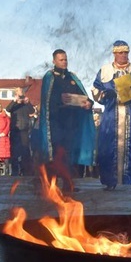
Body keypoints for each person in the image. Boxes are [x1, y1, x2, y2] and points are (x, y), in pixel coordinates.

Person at [92, 40, 131, 192]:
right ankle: (109, 181)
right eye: (120, 52)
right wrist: (106, 93)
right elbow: (95, 90)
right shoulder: (104, 71)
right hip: (112, 114)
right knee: (108, 148)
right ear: (114, 53)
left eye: (125, 52)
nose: (123, 55)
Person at [37, 49, 96, 191]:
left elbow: (83, 95)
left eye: (65, 59)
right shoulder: (50, 77)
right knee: (56, 153)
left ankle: (68, 183)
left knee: (69, 153)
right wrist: (59, 99)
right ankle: (50, 184)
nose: (64, 62)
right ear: (54, 61)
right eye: (61, 60)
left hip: (71, 123)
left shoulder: (72, 77)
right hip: (55, 123)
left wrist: (89, 103)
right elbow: (46, 100)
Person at [6, 90, 35, 176]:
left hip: (24, 130)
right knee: (14, 151)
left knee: (25, 151)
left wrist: (28, 102)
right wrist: (14, 101)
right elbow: (8, 109)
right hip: (15, 130)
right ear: (16, 95)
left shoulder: (25, 105)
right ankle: (15, 171)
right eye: (19, 95)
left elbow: (32, 111)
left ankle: (25, 170)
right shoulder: (14, 105)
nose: (20, 97)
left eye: (21, 95)